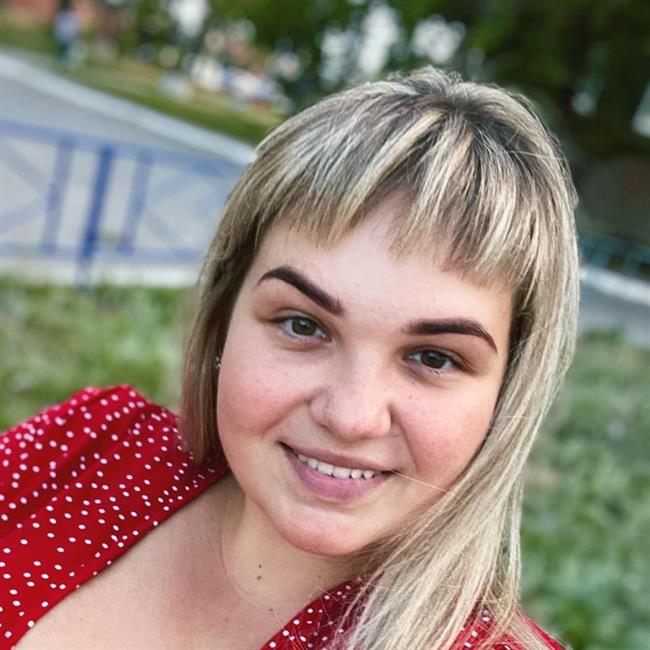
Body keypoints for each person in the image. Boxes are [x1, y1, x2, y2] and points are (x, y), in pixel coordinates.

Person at [0, 68, 578, 649]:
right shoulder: (92, 445)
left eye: (433, 357)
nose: (350, 416)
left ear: (508, 392)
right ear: (224, 316)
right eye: (303, 325)